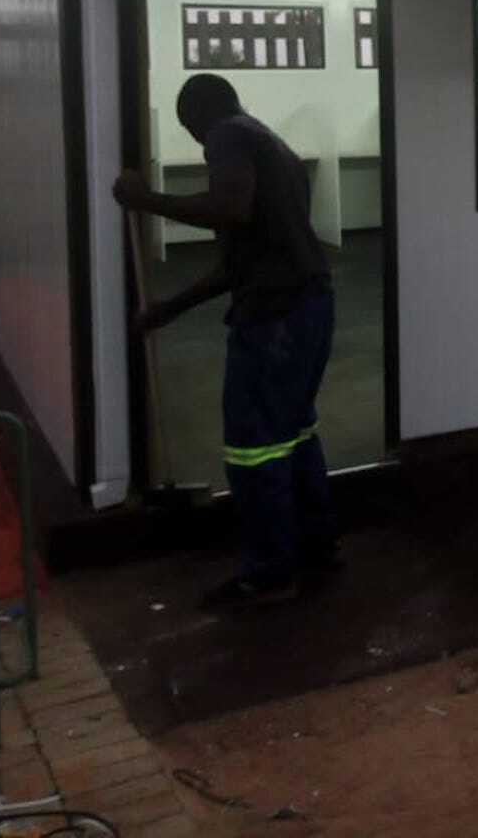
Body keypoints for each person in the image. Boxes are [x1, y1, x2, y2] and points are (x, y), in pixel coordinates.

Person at [113, 74, 338, 608]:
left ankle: (269, 574)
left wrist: (146, 200)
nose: (199, 145)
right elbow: (238, 264)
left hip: (275, 319)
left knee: (253, 445)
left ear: (198, 116)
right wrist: (167, 310)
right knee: (294, 432)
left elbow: (229, 207)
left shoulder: (227, 134)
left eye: (192, 131)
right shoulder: (273, 146)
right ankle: (315, 545)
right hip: (310, 306)